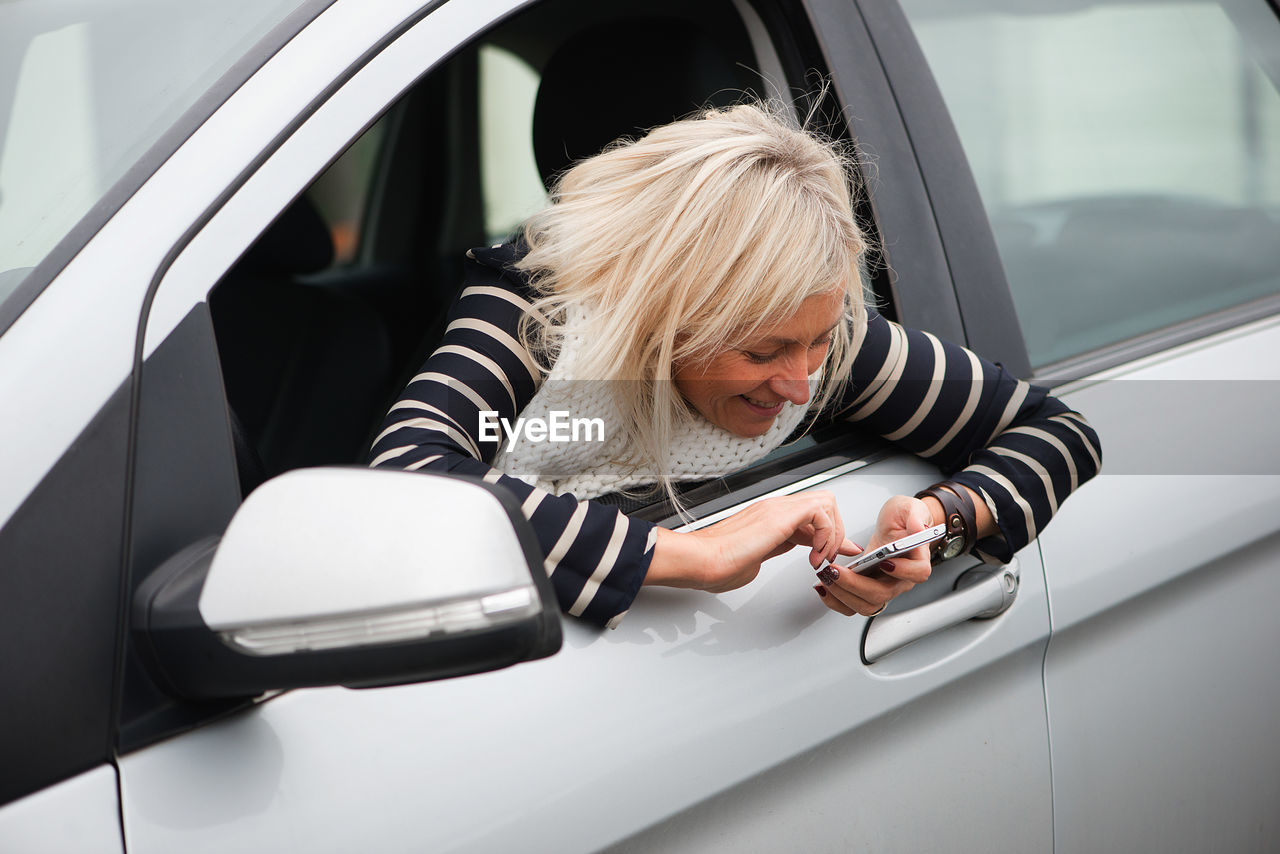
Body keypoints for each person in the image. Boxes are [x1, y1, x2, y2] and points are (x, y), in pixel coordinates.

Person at [369, 103, 1101, 628]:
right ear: (662, 316)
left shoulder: (832, 342)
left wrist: (939, 525)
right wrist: (694, 555)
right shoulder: (537, 314)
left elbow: (1056, 430)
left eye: (815, 342)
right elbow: (408, 480)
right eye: (761, 352)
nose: (801, 383)